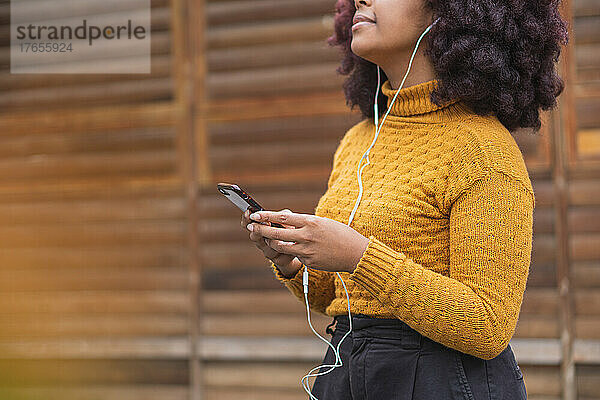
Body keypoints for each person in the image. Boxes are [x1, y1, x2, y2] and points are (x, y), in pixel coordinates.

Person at [241, 0, 568, 398]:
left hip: (442, 380)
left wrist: (361, 256)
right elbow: (333, 297)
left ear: (449, 12)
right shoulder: (358, 141)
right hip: (349, 369)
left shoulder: (484, 152)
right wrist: (291, 260)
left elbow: (488, 326)